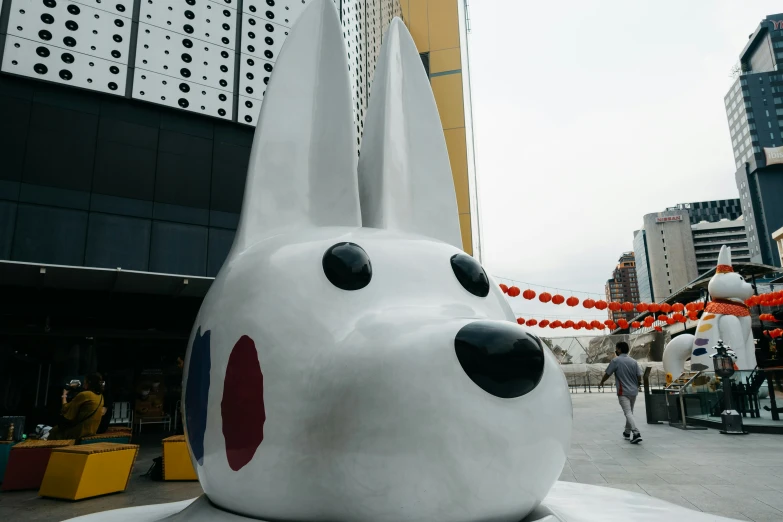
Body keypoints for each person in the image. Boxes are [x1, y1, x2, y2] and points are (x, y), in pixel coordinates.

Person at [599, 342, 643, 444]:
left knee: (627, 413)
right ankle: (627, 432)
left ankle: (636, 433)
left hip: (623, 392)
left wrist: (602, 381)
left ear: (619, 349)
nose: (616, 350)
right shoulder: (633, 361)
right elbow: (639, 375)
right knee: (630, 412)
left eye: (616, 348)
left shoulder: (616, 361)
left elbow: (608, 373)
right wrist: (638, 384)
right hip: (633, 391)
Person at [49, 373, 105, 441]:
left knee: (54, 431)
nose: (83, 383)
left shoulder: (85, 395)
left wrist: (64, 395)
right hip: (91, 430)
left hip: (80, 431)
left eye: (85, 381)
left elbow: (66, 409)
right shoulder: (101, 397)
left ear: (88, 383)